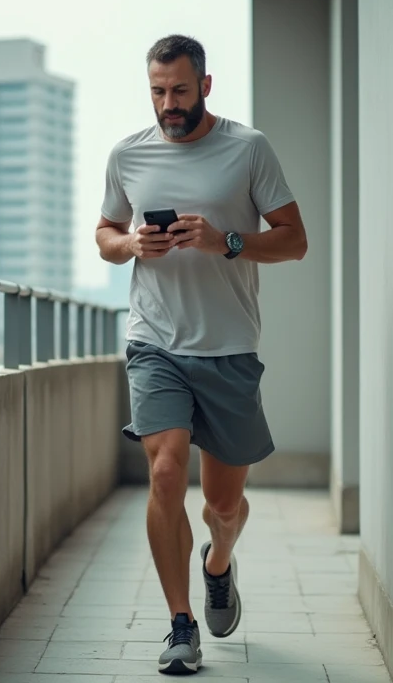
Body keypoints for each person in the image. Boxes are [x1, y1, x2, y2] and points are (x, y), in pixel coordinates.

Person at [95, 34, 307, 675]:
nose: (169, 104)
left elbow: (295, 240)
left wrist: (227, 241)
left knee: (221, 505)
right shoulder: (127, 154)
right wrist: (132, 245)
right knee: (164, 476)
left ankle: (219, 563)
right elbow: (104, 234)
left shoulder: (248, 148)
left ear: (206, 86)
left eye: (180, 91)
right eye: (158, 92)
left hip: (229, 348)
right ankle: (180, 625)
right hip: (154, 341)